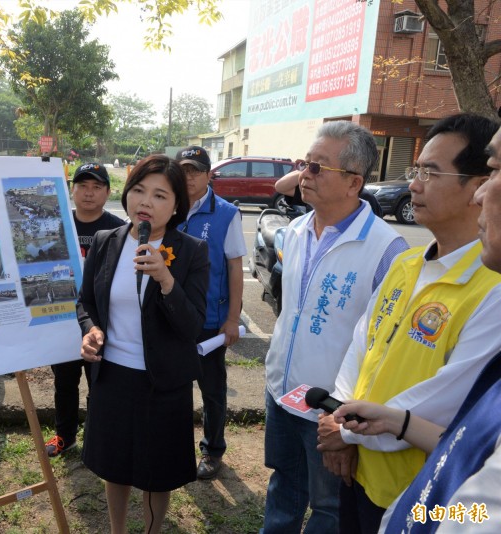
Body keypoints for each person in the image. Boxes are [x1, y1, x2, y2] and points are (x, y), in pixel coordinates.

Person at [317, 113, 501, 534]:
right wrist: (338, 415)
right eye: (415, 171)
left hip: (422, 491)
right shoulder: (406, 263)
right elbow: (362, 346)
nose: (414, 185)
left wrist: (344, 433)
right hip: (360, 468)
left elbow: (446, 397)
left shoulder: (491, 288)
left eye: (431, 174)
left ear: (477, 186)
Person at [262, 121, 408, 534]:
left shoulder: (387, 251)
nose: (306, 174)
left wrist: (347, 421)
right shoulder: (295, 230)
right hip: (282, 390)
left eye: (317, 167)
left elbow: (386, 348)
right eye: (305, 164)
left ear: (354, 182)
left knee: (329, 507)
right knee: (283, 488)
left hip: (331, 409)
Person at [77, 154, 210, 533]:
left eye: (159, 195)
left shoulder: (190, 252)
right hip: (112, 377)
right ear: (126, 195)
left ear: (176, 206)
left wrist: (167, 281)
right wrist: (91, 330)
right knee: (114, 467)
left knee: (155, 474)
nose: (145, 203)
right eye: (138, 190)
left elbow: (192, 325)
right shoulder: (106, 241)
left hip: (162, 382)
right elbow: (85, 301)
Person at [175, 145, 246, 479]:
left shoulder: (227, 214)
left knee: (213, 392)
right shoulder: (168, 205)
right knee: (172, 388)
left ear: (208, 175)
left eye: (196, 171)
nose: (189, 178)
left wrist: (232, 318)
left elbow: (234, 268)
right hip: (171, 318)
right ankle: (172, 448)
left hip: (209, 322)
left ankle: (213, 450)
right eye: (184, 170)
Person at [45, 162, 124, 457]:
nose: (89, 193)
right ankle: (65, 436)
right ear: (72, 190)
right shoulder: (56, 223)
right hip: (62, 320)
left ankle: (95, 436)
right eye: (83, 186)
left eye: (96, 187)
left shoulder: (119, 228)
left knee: (99, 385)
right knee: (64, 383)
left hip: (100, 324)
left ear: (107, 192)